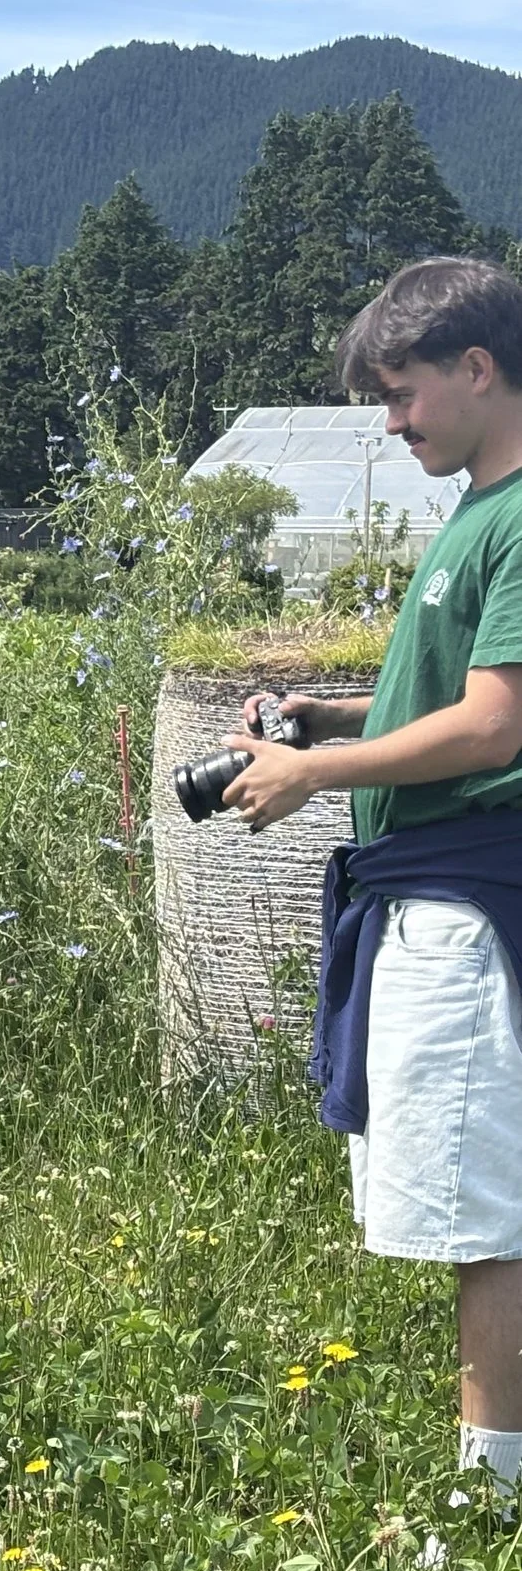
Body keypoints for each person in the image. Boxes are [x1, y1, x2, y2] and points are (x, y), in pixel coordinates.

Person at [223, 256, 522, 1493]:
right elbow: (454, 691)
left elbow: (496, 727)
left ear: (477, 366)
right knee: (474, 1189)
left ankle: (489, 1489)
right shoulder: (476, 511)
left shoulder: (515, 515)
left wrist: (315, 773)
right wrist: (330, 711)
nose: (391, 422)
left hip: (465, 890)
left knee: (484, 1209)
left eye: (401, 394)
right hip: (432, 882)